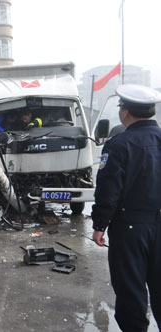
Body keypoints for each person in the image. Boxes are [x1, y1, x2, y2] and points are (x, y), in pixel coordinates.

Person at [91, 84, 161, 332]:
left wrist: (100, 225)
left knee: (130, 289)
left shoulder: (119, 144)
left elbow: (109, 190)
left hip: (130, 228)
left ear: (126, 112)